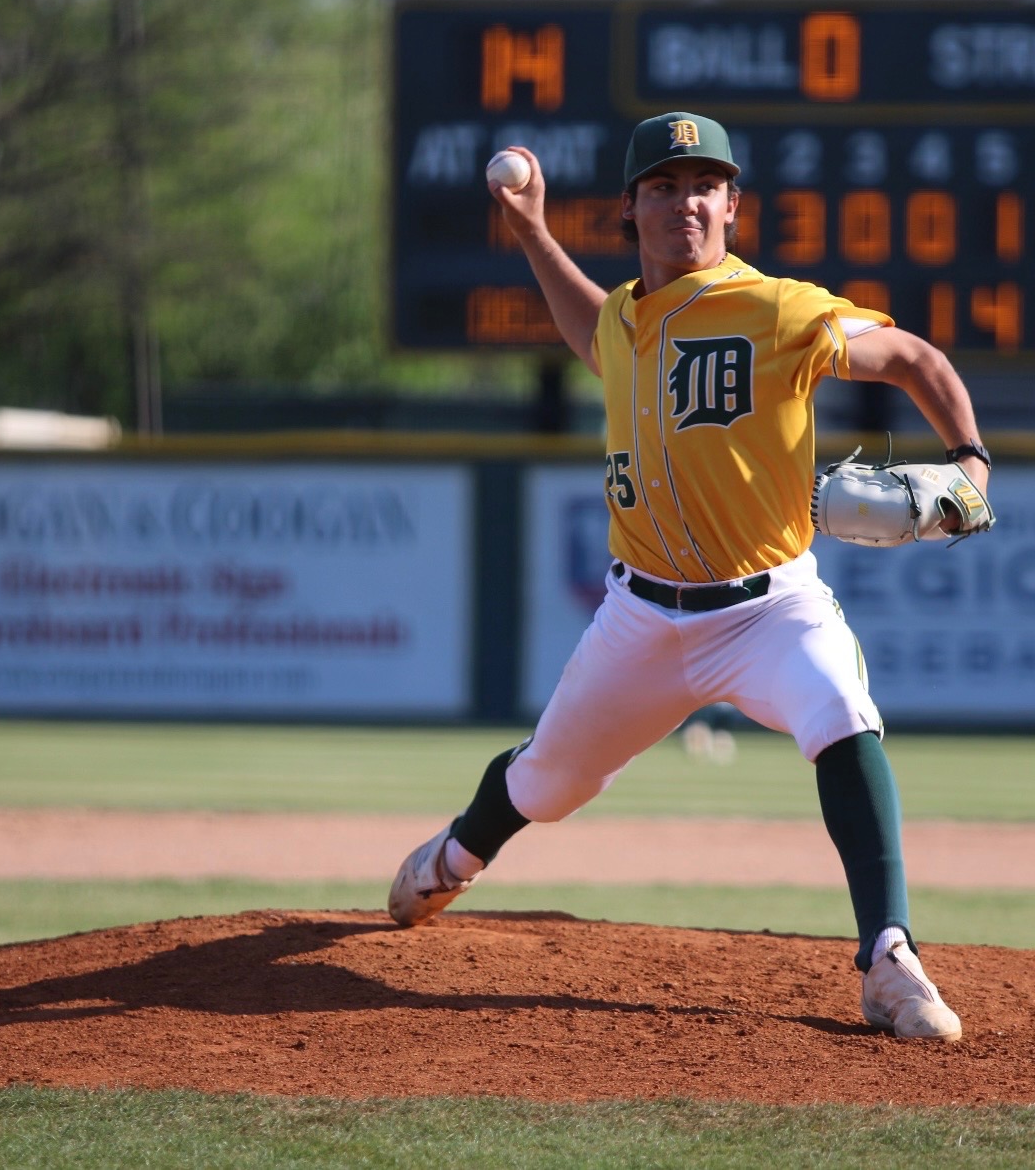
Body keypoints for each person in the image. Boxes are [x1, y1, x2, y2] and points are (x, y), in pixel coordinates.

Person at [388, 112, 992, 1041]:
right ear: (630, 208)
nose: (687, 203)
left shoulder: (778, 308)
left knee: (841, 711)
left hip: (769, 606)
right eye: (664, 187)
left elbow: (913, 357)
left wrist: (970, 462)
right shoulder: (626, 317)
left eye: (706, 185)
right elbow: (592, 335)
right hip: (640, 615)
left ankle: (887, 955)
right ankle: (454, 856)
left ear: (733, 206)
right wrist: (532, 231)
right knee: (547, 784)